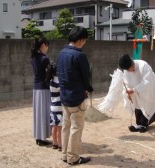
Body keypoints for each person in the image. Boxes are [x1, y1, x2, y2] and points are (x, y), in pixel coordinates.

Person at [56, 26, 93, 165]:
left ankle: (65, 155)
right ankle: (73, 157)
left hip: (64, 97)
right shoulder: (79, 55)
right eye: (85, 40)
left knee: (66, 127)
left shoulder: (61, 53)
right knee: (76, 128)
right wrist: (88, 88)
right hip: (77, 97)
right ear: (81, 39)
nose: (84, 43)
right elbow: (86, 77)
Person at [118, 54, 155, 133]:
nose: (129, 71)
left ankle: (144, 124)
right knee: (137, 105)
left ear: (132, 64)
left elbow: (147, 82)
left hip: (147, 90)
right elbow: (127, 82)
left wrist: (135, 89)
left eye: (129, 69)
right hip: (135, 92)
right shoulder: (126, 70)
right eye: (127, 70)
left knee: (146, 103)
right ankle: (138, 124)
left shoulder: (143, 66)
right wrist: (128, 90)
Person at [30, 37, 52, 146]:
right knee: (44, 113)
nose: (47, 48)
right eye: (47, 45)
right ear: (43, 45)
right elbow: (49, 74)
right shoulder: (44, 58)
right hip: (44, 88)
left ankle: (39, 137)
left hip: (36, 88)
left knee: (38, 113)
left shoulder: (33, 58)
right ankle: (42, 138)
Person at [46, 64, 63, 151]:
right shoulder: (58, 80)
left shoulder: (51, 80)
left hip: (52, 106)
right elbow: (62, 88)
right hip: (59, 107)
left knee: (54, 126)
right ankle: (60, 145)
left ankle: (54, 143)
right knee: (60, 128)